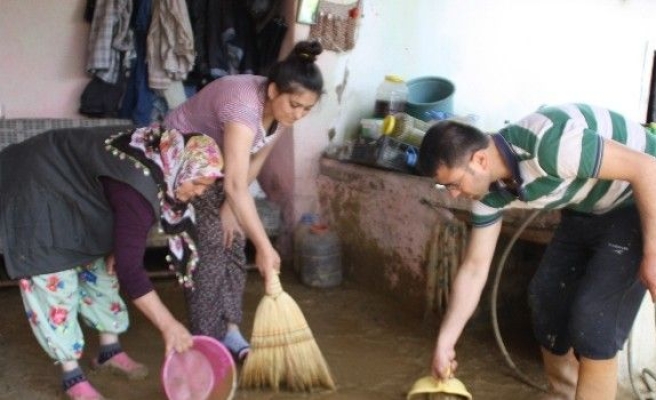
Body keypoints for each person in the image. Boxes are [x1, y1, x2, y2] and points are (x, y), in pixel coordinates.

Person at [417, 103, 656, 400]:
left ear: (479, 160)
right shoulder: (489, 194)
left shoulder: (550, 145)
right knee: (545, 300)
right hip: (587, 208)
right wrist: (445, 342)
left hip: (641, 198)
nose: (453, 194)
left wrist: (653, 253)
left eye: (453, 183)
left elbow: (647, 168)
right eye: (445, 187)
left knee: (593, 320)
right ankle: (565, 394)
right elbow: (475, 268)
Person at [0, 125, 224, 400]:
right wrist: (168, 324)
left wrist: (123, 243)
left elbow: (129, 220)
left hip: (76, 193)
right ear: (182, 167)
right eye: (198, 183)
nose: (201, 193)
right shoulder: (138, 184)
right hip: (35, 183)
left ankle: (109, 352)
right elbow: (132, 270)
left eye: (207, 186)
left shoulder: (161, 162)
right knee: (55, 280)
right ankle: (72, 376)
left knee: (102, 271)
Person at [163, 40, 324, 361]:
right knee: (208, 248)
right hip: (182, 163)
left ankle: (231, 331)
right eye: (295, 105)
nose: (300, 114)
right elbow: (235, 184)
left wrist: (229, 209)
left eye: (308, 108)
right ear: (275, 91)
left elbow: (256, 158)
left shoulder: (282, 112)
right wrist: (265, 246)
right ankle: (206, 341)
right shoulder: (243, 106)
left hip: (220, 164)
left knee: (233, 239)